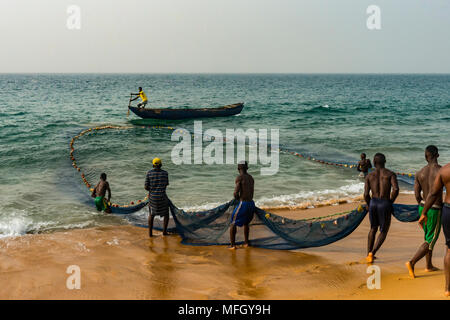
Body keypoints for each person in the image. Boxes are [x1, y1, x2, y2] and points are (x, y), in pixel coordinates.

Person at [406, 146, 442, 278]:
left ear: (426, 157)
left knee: (428, 236)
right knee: (430, 240)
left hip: (422, 207)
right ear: (437, 155)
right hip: (435, 208)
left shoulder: (419, 173)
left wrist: (423, 209)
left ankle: (429, 265)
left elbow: (416, 195)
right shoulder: (441, 171)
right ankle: (412, 262)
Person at [420, 162, 450, 297]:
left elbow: (432, 193)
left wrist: (424, 212)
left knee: (449, 249)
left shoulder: (445, 170)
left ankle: (447, 288)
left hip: (448, 210)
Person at [364, 153, 399, 263]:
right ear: (385, 162)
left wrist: (369, 204)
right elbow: (396, 189)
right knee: (383, 231)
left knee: (373, 228)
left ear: (374, 163)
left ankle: (368, 253)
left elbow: (365, 194)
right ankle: (372, 253)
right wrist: (390, 202)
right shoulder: (390, 174)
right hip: (384, 203)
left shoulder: (369, 176)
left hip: (373, 203)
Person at [229, 161, 255, 250]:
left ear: (238, 169)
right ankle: (246, 242)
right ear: (247, 168)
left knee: (233, 223)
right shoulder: (251, 178)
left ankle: (232, 245)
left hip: (243, 203)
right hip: (251, 203)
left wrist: (236, 198)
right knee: (246, 223)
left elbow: (236, 192)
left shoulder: (239, 178)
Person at [145, 157, 169, 237]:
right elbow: (166, 184)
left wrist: (152, 190)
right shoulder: (165, 173)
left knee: (151, 215)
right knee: (166, 214)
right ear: (161, 164)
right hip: (162, 197)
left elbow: (146, 187)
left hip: (153, 198)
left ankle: (150, 234)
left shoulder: (149, 173)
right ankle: (164, 232)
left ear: (153, 165)